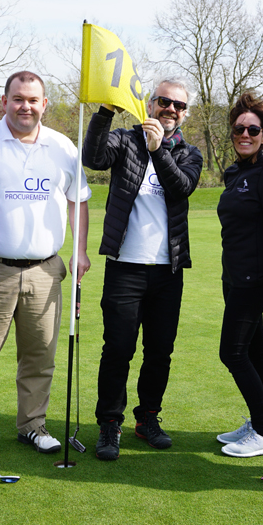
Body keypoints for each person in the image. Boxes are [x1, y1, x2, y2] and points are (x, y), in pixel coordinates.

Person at [0, 71, 91, 456]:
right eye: (17, 99)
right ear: (4, 101)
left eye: (33, 99)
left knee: (40, 355)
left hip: (46, 270)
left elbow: (79, 200)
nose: (25, 106)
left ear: (44, 104)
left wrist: (79, 251)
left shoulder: (63, 146)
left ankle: (32, 425)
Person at [82, 77, 202, 460]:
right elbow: (93, 158)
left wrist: (159, 149)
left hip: (168, 270)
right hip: (125, 267)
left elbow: (182, 187)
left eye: (178, 106)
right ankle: (109, 424)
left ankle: (147, 417)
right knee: (118, 348)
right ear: (151, 104)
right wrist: (104, 112)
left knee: (159, 351)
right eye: (164, 102)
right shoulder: (126, 139)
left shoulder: (188, 152)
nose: (171, 109)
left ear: (185, 113)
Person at [215, 93, 263, 458]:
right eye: (239, 129)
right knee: (255, 349)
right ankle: (260, 422)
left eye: (253, 129)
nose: (245, 134)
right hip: (234, 276)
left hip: (255, 279)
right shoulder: (235, 173)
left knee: (232, 352)